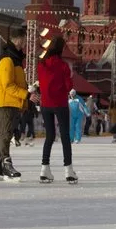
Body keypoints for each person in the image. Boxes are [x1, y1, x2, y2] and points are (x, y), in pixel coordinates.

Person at [37, 36, 78, 184]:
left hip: (45, 104)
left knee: (49, 136)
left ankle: (44, 168)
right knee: (65, 136)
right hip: (60, 104)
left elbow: (41, 84)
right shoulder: (63, 66)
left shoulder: (41, 64)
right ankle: (68, 170)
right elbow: (68, 87)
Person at [0, 28, 30, 181]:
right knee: (6, 133)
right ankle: (6, 163)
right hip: (6, 100)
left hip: (11, 101)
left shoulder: (15, 58)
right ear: (18, 39)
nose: (26, 42)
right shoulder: (7, 59)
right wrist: (26, 94)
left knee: (4, 133)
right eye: (24, 39)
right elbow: (8, 85)